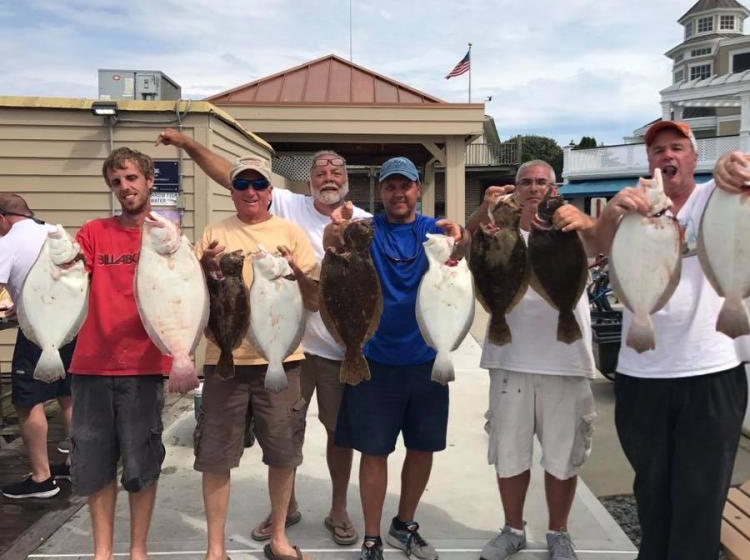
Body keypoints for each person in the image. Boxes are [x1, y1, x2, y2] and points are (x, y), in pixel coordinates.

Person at [156, 129, 368, 545]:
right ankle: (281, 513)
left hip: (331, 346)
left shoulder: (362, 221)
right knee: (278, 443)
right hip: (280, 348)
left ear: (347, 178)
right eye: (320, 171)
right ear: (307, 181)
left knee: (333, 434)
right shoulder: (288, 205)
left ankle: (338, 508)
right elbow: (229, 174)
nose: (328, 176)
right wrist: (187, 143)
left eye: (336, 171)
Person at [586, 120, 750, 560]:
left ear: (694, 157)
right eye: (658, 150)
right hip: (641, 374)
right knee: (652, 490)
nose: (667, 155)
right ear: (648, 161)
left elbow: (742, 177)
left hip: (712, 370)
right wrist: (610, 214)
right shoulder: (632, 206)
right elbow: (593, 247)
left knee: (701, 495)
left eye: (677, 147)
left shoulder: (715, 196)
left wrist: (733, 165)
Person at [325, 156, 468, 560]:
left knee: (422, 448)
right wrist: (336, 227)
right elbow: (334, 243)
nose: (398, 193)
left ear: (418, 190)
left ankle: (404, 525)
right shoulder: (367, 230)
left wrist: (465, 234)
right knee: (374, 451)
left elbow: (462, 244)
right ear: (381, 192)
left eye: (405, 186)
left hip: (427, 357)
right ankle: (372, 538)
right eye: (390, 186)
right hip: (373, 359)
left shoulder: (431, 229)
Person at [465, 161, 597, 560]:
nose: (534, 188)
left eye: (542, 182)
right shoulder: (494, 231)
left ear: (554, 189)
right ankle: (512, 529)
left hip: (566, 361)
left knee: (563, 456)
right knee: (509, 453)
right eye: (526, 182)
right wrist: (482, 213)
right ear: (515, 189)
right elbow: (459, 249)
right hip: (510, 360)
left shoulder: (572, 231)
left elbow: (605, 242)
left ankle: (559, 533)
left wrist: (586, 222)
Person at [193, 155, 319, 560]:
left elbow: (314, 300)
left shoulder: (291, 233)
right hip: (224, 360)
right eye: (241, 184)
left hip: (282, 359)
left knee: (283, 453)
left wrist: (298, 274)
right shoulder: (214, 233)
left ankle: (279, 536)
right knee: (216, 456)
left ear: (270, 192)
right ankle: (215, 548)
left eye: (258, 184)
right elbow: (193, 292)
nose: (250, 191)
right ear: (231, 191)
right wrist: (204, 267)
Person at [69, 147, 173, 560]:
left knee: (141, 463)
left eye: (131, 178)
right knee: (95, 464)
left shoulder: (166, 234)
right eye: (116, 181)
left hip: (144, 365)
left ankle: (138, 551)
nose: (124, 187)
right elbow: (69, 277)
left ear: (149, 180)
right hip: (91, 366)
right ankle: (102, 553)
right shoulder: (93, 232)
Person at [0, 194, 72, 500]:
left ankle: (42, 479)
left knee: (28, 400)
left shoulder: (7, 242)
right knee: (69, 394)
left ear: (2, 218)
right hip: (72, 326)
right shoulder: (56, 232)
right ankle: (76, 464)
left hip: (38, 331)